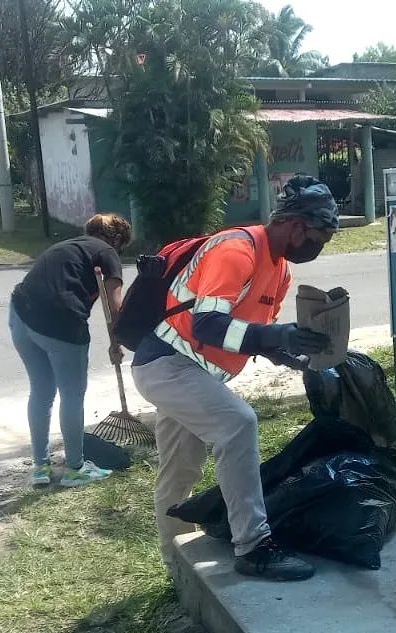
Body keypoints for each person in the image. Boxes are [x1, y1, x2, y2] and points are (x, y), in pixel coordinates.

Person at [132, 176, 338, 581]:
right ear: (296, 225)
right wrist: (277, 335)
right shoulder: (236, 250)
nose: (321, 245)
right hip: (167, 366)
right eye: (321, 235)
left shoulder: (279, 271)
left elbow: (248, 332)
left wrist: (285, 350)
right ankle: (254, 546)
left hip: (192, 373)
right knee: (237, 424)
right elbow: (208, 325)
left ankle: (177, 567)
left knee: (178, 473)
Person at [9, 212, 131, 488]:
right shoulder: (107, 252)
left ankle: (40, 467)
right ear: (117, 239)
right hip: (61, 321)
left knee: (41, 391)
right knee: (72, 395)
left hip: (21, 314)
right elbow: (116, 308)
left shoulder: (68, 246)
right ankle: (75, 467)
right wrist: (117, 344)